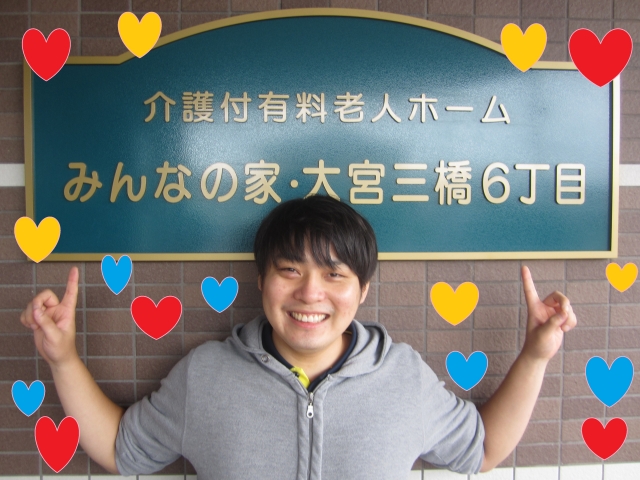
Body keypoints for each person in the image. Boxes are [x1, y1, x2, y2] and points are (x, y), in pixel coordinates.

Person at [20, 195, 577, 479]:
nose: (310, 293)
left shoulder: (403, 377)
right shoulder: (206, 375)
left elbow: (482, 448)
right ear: (261, 280)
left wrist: (535, 354)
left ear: (362, 291)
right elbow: (121, 448)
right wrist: (63, 358)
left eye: (334, 274)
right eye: (290, 270)